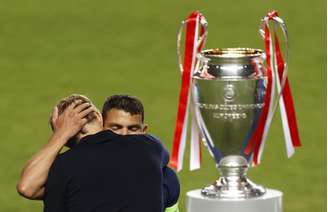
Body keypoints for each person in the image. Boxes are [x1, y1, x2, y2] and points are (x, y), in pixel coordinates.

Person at [17, 94, 179, 211]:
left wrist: (60, 134)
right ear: (100, 118)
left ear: (65, 141)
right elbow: (172, 188)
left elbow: (27, 187)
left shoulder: (62, 167)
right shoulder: (149, 147)